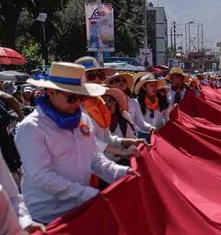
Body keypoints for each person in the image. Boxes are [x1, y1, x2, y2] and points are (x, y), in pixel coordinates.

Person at [14, 62, 137, 225]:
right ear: (51, 92)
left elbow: (94, 159)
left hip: (82, 209)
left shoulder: (82, 120)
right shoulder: (32, 128)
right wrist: (88, 194)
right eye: (72, 98)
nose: (78, 103)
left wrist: (124, 173)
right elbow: (42, 176)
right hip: (48, 218)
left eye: (82, 97)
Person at [105, 72, 155, 136]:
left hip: (133, 138)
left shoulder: (134, 102)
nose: (121, 82)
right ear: (110, 84)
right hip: (113, 139)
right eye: (117, 80)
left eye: (124, 80)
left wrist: (150, 127)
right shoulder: (107, 102)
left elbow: (140, 122)